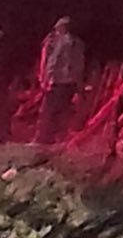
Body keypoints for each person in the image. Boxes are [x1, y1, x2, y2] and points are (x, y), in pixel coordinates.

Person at [35, 16, 86, 144]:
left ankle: (44, 138)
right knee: (64, 110)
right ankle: (60, 137)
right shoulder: (78, 43)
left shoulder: (59, 43)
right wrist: (79, 85)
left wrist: (46, 79)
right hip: (70, 82)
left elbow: (53, 62)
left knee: (48, 110)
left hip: (57, 81)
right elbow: (80, 65)